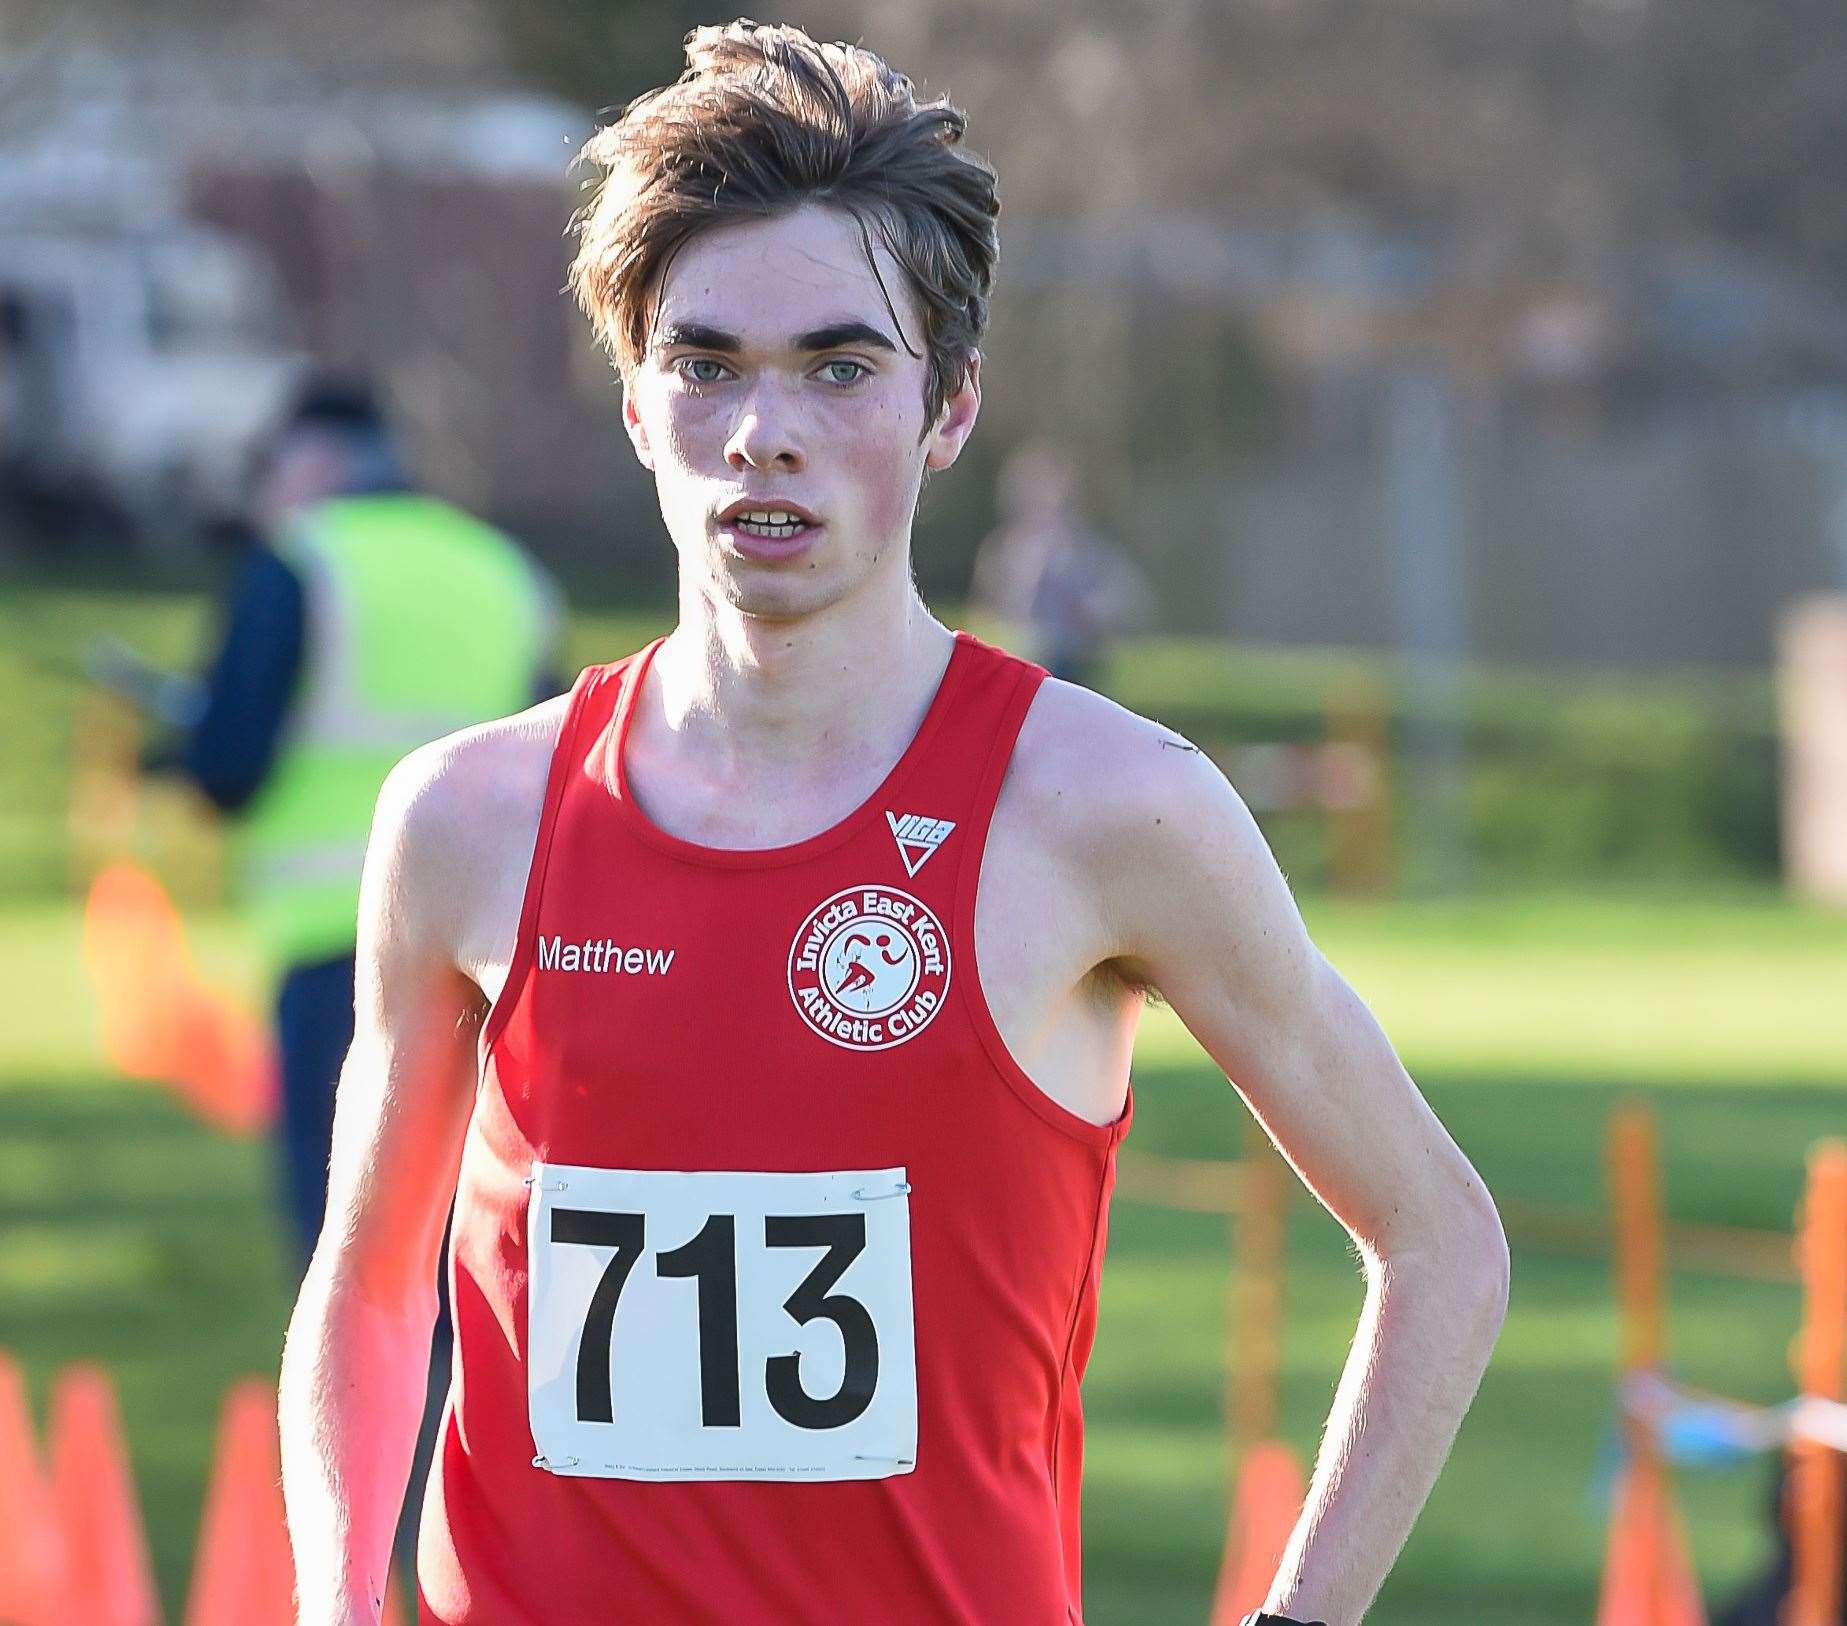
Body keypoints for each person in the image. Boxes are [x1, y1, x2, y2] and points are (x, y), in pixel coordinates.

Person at [277, 23, 1509, 1626]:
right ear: (637, 402)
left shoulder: (1105, 807)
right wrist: (328, 1597)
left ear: (947, 408)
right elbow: (372, 1292)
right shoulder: (465, 815)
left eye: (839, 366)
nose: (761, 430)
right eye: (704, 361)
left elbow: (1440, 1245)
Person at [146, 373, 563, 1583]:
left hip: (343, 952)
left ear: (310, 465)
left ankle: (389, 1566)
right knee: (485, 1271)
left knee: (360, 1281)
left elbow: (231, 764)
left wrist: (186, 746)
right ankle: (492, 1546)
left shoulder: (299, 563)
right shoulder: (502, 571)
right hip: (510, 959)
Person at [971, 439, 1150, 686]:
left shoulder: (1084, 548)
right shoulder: (1001, 551)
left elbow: (1126, 597)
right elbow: (986, 612)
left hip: (1076, 662)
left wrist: (1092, 610)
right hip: (1024, 661)